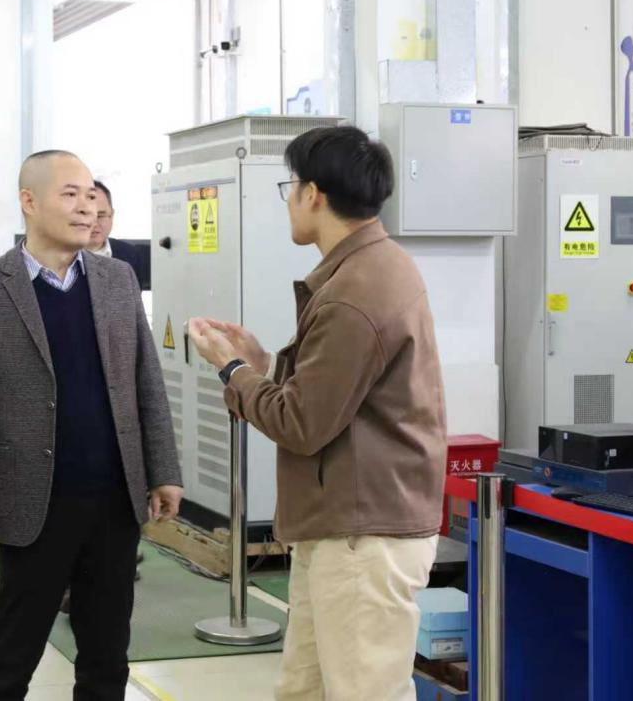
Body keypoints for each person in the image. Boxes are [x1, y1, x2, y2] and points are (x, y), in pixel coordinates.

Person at [188, 126, 447, 701]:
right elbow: (337, 396)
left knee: (364, 691)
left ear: (313, 194)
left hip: (362, 534)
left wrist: (232, 369)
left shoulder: (356, 291)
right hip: (342, 526)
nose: (289, 200)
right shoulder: (369, 269)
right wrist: (263, 365)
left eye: (291, 187)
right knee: (305, 689)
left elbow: (302, 424)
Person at [0, 150, 183, 701]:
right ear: (29, 201)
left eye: (91, 195)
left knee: (107, 656)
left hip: (114, 501)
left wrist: (163, 469)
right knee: (14, 654)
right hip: (33, 503)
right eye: (70, 194)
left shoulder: (117, 279)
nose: (87, 207)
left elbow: (145, 382)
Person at [88, 180, 145, 283]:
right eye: (87, 215)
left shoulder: (130, 255)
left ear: (112, 215)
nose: (94, 224)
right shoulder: (60, 257)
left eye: (100, 216)